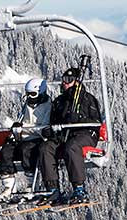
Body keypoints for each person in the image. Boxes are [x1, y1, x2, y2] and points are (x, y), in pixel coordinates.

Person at [42, 67, 104, 205]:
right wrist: (50, 131)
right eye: (63, 79)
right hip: (65, 135)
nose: (65, 83)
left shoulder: (87, 99)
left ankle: (79, 188)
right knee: (46, 148)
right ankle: (52, 188)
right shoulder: (59, 101)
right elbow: (53, 122)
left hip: (85, 134)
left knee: (72, 147)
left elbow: (96, 121)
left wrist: (79, 119)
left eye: (69, 80)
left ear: (76, 82)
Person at [0, 79, 55, 202]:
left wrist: (26, 129)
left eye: (33, 94)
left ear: (41, 92)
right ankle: (9, 187)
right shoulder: (27, 103)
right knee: (6, 151)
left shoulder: (48, 106)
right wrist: (17, 128)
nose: (30, 97)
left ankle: (31, 186)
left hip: (37, 138)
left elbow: (44, 126)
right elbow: (22, 118)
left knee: (27, 150)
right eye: (27, 94)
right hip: (24, 137)